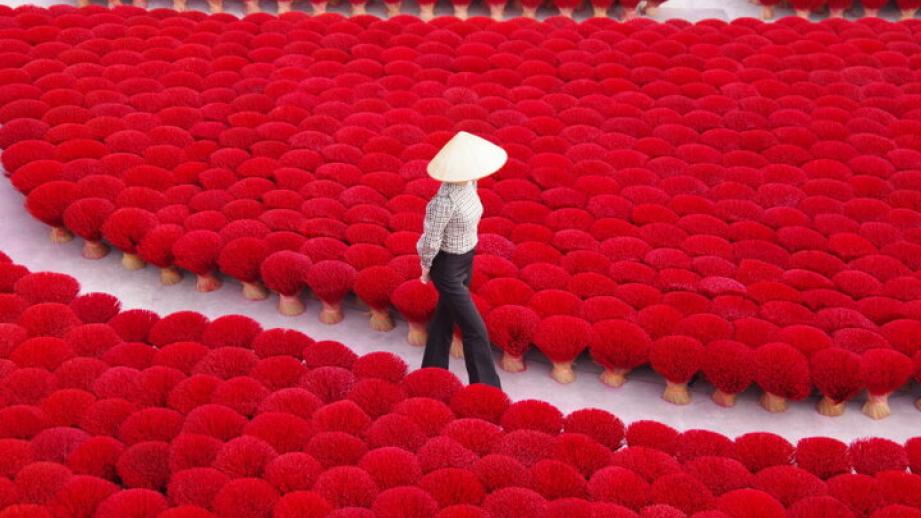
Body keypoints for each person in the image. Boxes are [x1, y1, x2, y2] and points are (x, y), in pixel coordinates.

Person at [416, 131, 506, 389]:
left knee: (444, 318)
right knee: (475, 328)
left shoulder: (470, 183)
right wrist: (426, 267)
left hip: (467, 258)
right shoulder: (442, 202)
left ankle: (431, 375)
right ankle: (486, 388)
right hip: (447, 267)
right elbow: (431, 239)